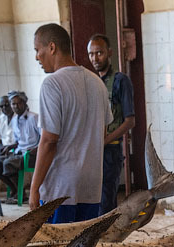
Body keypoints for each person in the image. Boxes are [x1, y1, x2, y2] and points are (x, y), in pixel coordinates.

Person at [29, 23, 109, 224]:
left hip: (60, 189)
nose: (37, 57)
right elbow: (103, 131)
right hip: (91, 186)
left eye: (38, 50)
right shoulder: (97, 82)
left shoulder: (52, 84)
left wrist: (34, 188)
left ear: (52, 47)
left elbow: (48, 141)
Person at [87, 34, 135, 213]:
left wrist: (104, 141)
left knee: (106, 203)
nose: (95, 58)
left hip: (110, 151)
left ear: (109, 53)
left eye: (99, 53)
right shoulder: (91, 82)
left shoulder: (121, 81)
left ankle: (107, 240)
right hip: (93, 151)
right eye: (91, 54)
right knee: (93, 200)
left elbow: (130, 121)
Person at [0, 91, 40, 193]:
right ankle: (15, 191)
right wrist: (9, 147)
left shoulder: (33, 117)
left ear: (24, 103)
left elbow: (43, 137)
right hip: (19, 152)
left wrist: (36, 149)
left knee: (8, 164)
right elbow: (18, 141)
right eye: (13, 104)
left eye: (19, 103)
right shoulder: (14, 120)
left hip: (32, 154)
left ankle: (20, 192)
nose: (16, 106)